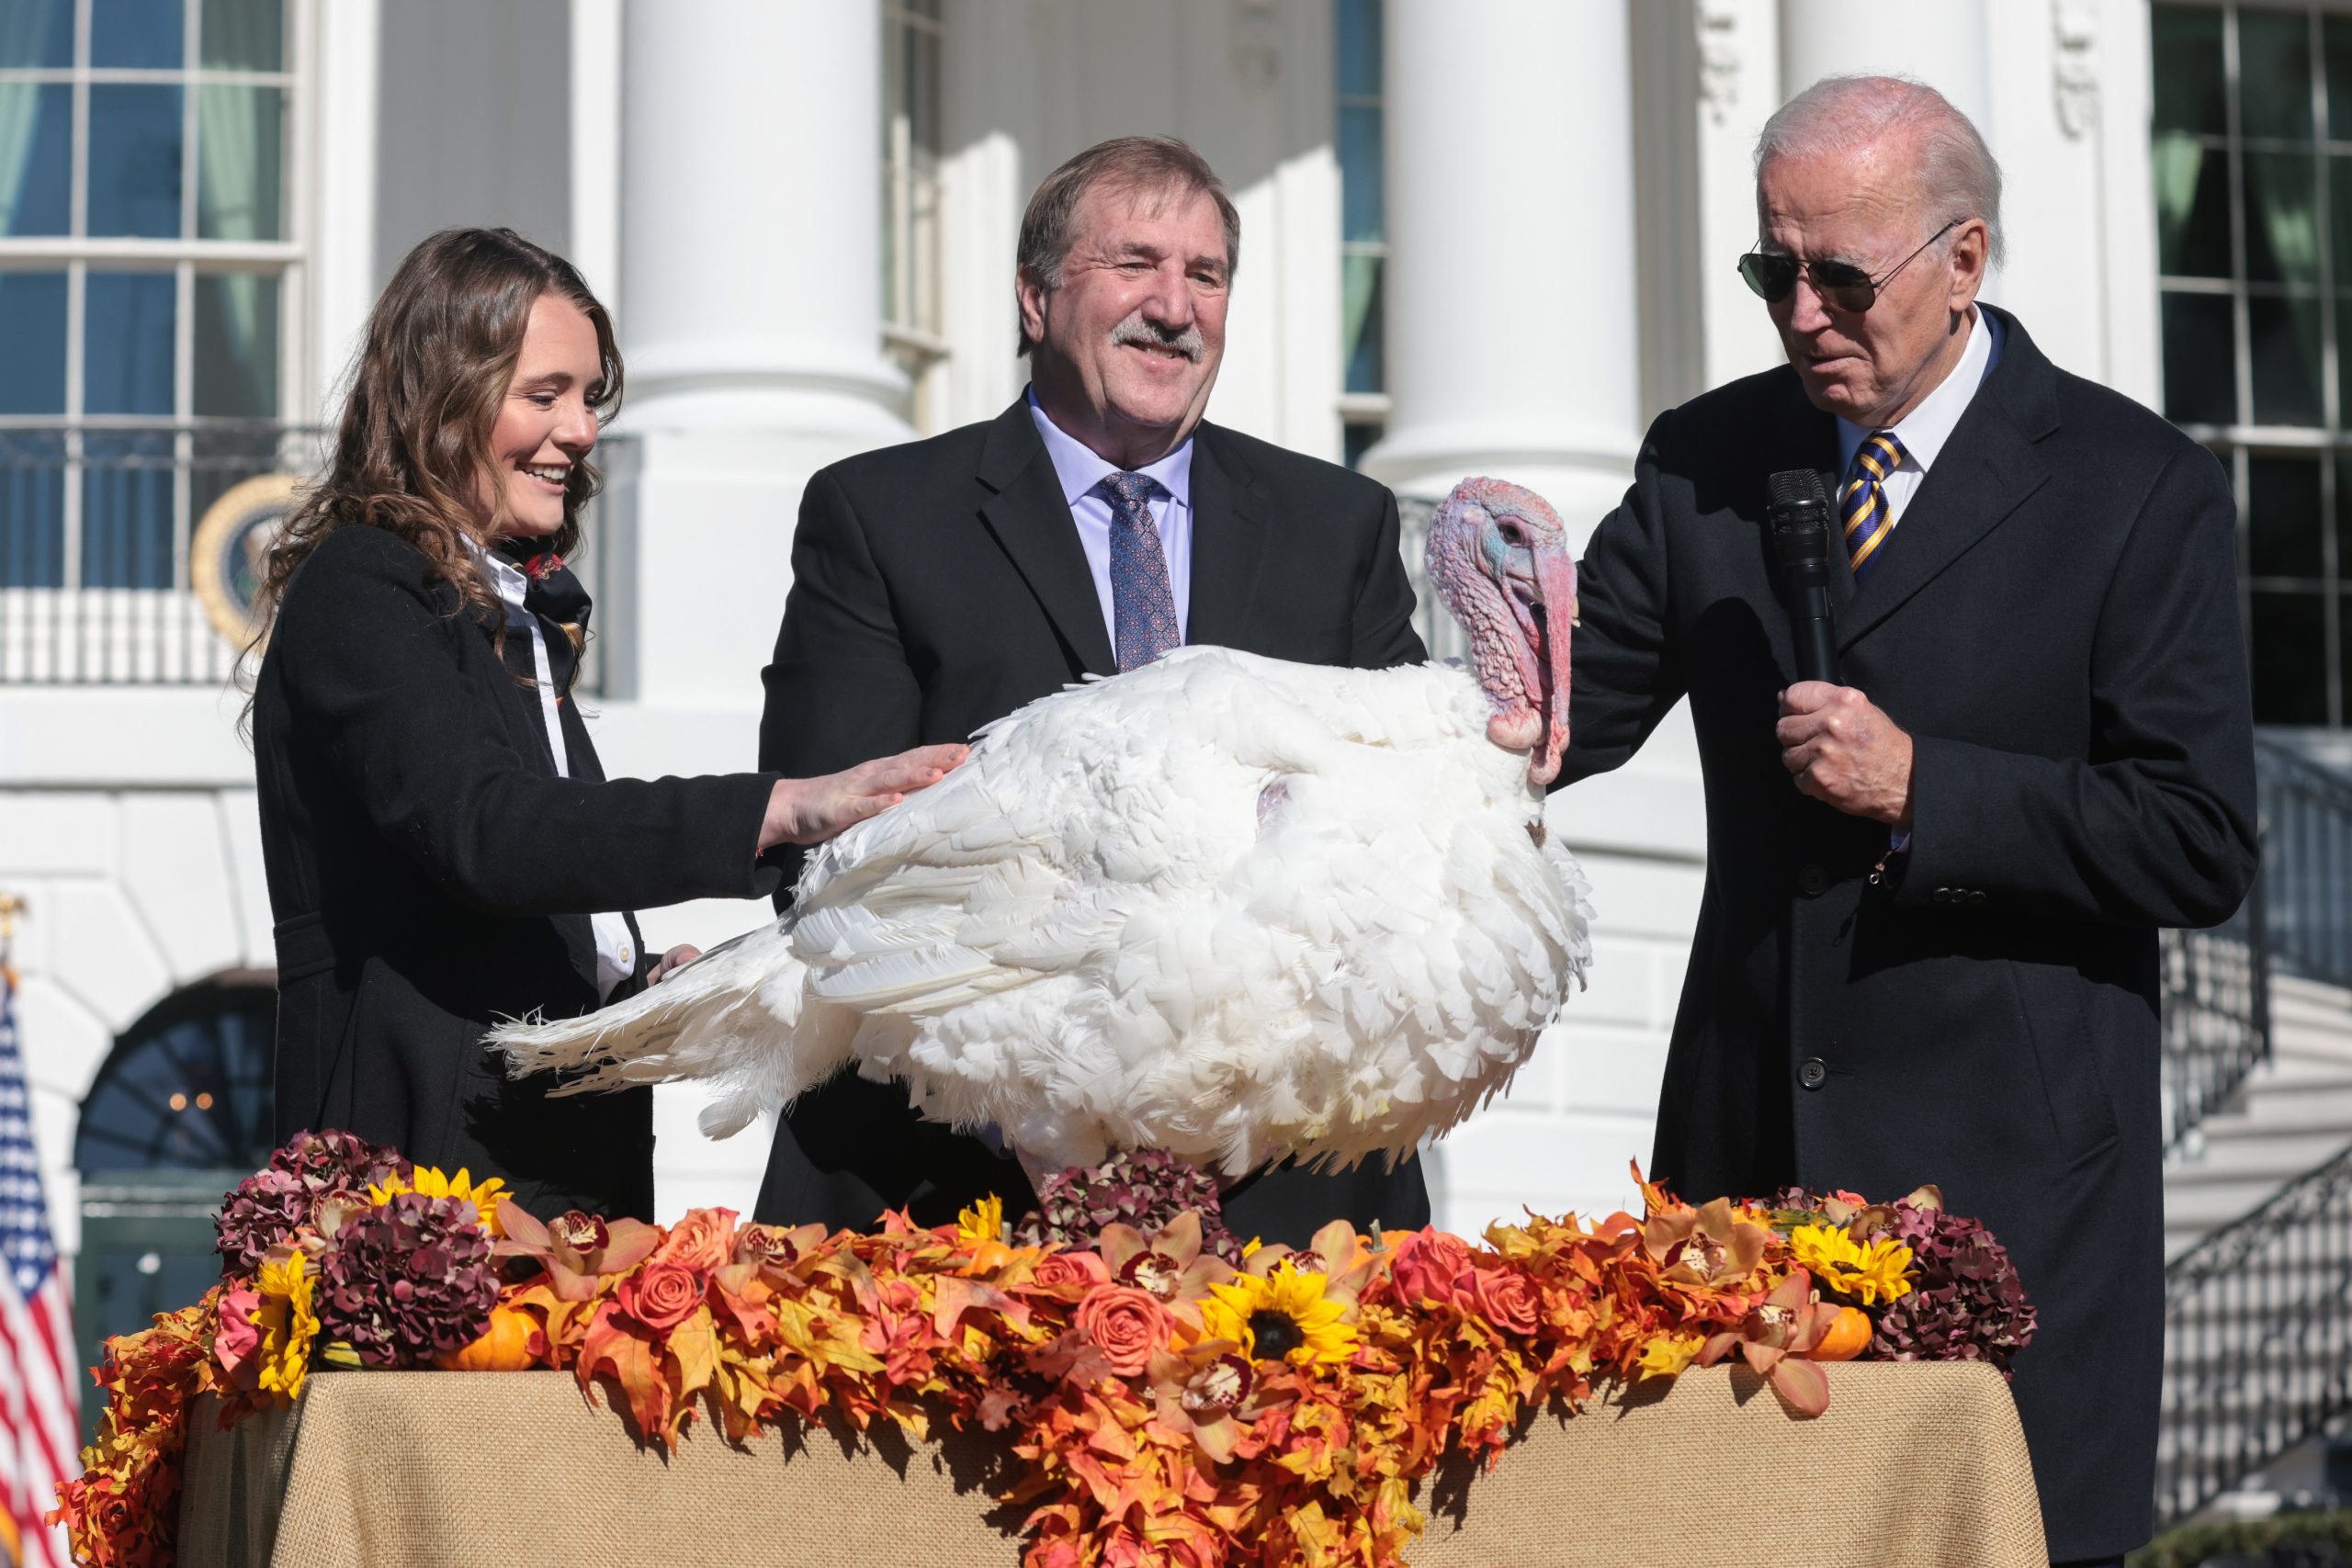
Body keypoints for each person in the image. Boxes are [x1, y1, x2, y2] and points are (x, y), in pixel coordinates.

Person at [1561, 78, 2257, 1567]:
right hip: (1747, 1182)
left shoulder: (2138, 491)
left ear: (1966, 257)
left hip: (2006, 1199)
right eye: (1773, 271)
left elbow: (2197, 836)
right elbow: (1547, 723)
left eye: (1842, 276)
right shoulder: (1707, 462)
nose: (1803, 312)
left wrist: (1926, 788)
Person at [752, 136, 1432, 1243]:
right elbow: (826, 861)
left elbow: (1406, 842)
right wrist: (1039, 1105)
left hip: (1290, 1204)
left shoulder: (1335, 527)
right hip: (949, 1193)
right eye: (1134, 264)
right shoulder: (883, 516)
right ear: (1034, 298)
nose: (1174, 306)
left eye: (1205, 276)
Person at [249, 228, 963, 1223]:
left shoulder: (511, 607)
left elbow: (526, 880)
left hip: (553, 1164)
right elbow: (488, 832)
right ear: (438, 398)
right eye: (544, 395)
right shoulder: (365, 583)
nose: (580, 431)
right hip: (420, 1187)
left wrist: (630, 977)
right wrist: (784, 807)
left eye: (588, 398)